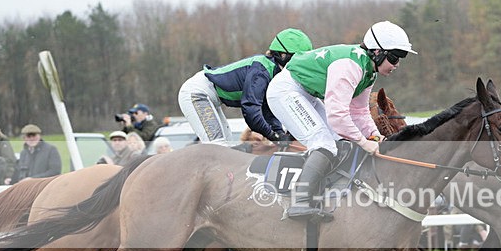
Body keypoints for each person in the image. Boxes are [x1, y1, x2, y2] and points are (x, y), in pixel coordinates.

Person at [267, 20, 416, 220]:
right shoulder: (351, 66)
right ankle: (300, 202)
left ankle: (326, 191)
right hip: (286, 91)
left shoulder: (369, 72)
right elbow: (337, 116)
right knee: (324, 144)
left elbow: (359, 111)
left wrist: (374, 136)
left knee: (340, 141)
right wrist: (363, 142)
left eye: (401, 58)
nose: (397, 64)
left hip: (305, 93)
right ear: (377, 52)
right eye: (395, 57)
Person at [178, 28, 313, 145]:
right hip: (197, 93)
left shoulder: (274, 74)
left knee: (227, 145)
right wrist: (273, 136)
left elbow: (267, 110)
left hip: (211, 97)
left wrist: (279, 136)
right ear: (283, 55)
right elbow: (250, 110)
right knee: (218, 146)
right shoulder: (261, 71)